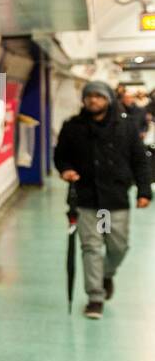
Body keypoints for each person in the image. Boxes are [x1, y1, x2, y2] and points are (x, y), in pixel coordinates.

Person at [53, 80, 152, 319]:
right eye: (89, 96)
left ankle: (106, 274)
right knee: (91, 248)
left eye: (98, 96)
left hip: (115, 200)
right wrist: (65, 170)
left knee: (118, 247)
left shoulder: (125, 128)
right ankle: (95, 297)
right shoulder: (73, 127)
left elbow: (140, 160)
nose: (93, 100)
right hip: (87, 200)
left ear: (108, 99)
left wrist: (144, 190)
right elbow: (60, 156)